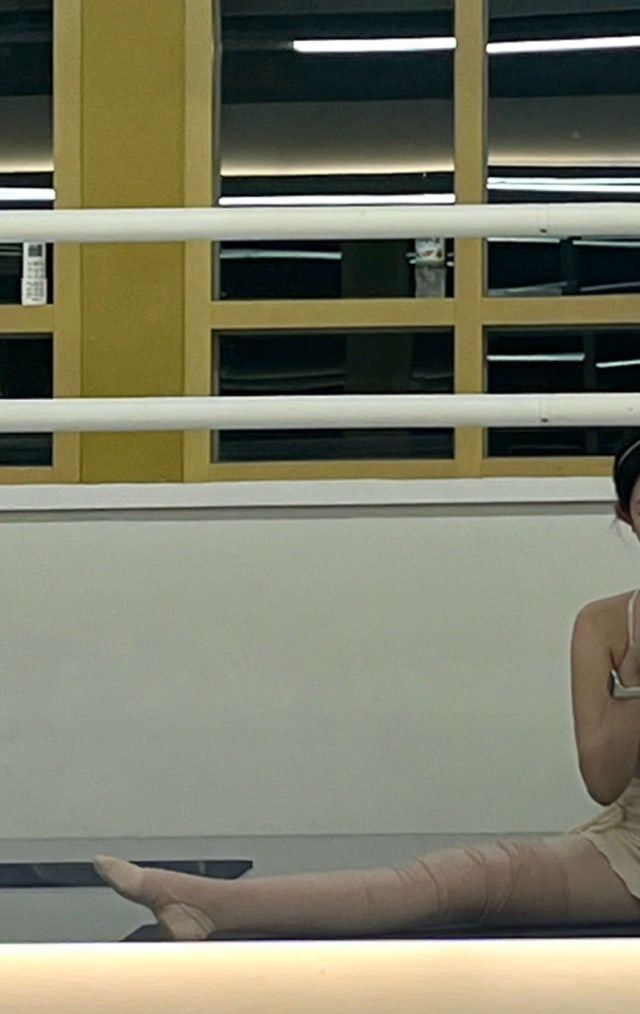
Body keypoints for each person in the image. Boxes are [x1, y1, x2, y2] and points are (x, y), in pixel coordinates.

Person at [94, 432, 640, 941]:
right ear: (626, 516)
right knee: (461, 880)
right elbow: (603, 779)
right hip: (630, 842)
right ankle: (205, 905)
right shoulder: (604, 624)